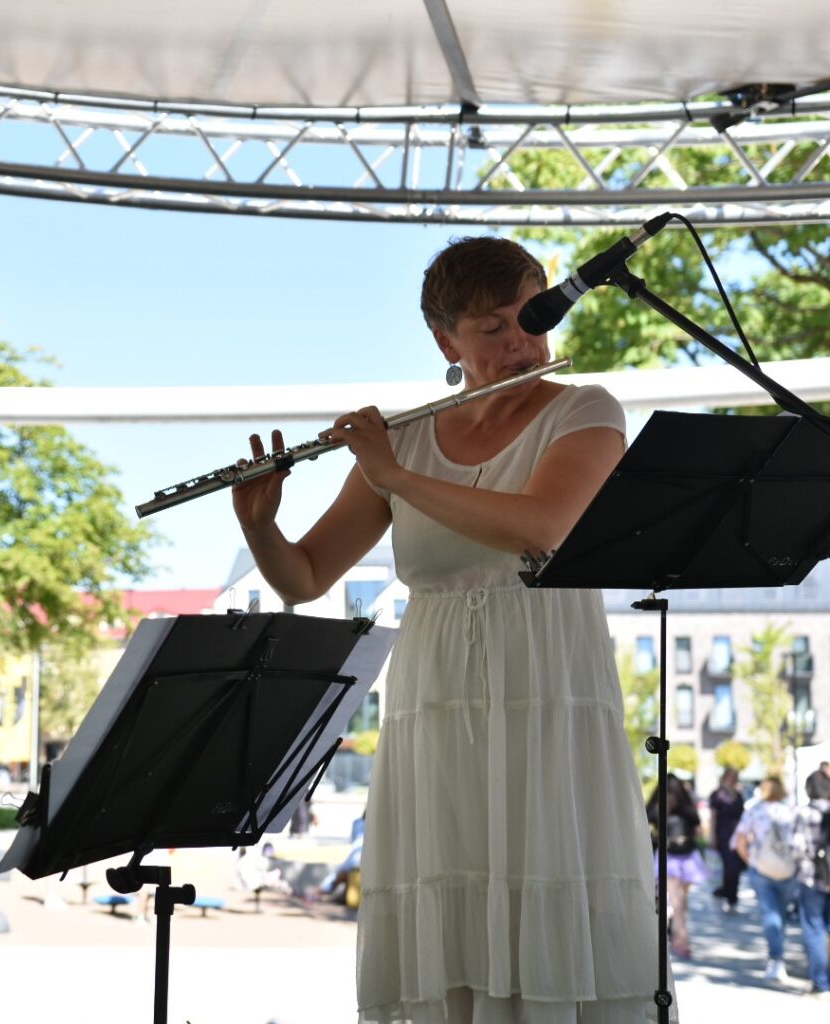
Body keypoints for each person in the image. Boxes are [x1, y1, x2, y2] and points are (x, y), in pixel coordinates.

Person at [233, 236, 661, 1021]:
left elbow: (541, 527)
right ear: (445, 342)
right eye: (492, 328)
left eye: (532, 316)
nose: (521, 341)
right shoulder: (400, 439)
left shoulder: (585, 409)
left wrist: (394, 476)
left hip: (545, 689)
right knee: (450, 905)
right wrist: (261, 526)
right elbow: (303, 578)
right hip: (437, 701)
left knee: (546, 885)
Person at [735, 776, 799, 983]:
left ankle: (776, 958)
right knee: (780, 914)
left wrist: (750, 861)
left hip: (761, 868)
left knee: (770, 914)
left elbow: (740, 841)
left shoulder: (754, 811)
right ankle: (778, 954)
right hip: (788, 870)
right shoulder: (788, 811)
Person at [647, 773, 706, 958]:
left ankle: (679, 936)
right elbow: (698, 829)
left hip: (673, 855)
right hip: (684, 855)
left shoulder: (660, 806)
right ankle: (681, 937)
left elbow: (646, 822)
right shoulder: (684, 807)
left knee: (677, 900)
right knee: (679, 899)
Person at [796, 772, 830, 995]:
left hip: (812, 877)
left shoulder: (803, 813)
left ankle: (821, 983)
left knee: (814, 928)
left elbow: (796, 848)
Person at [708, 767, 746, 912]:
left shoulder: (738, 795)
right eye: (730, 777)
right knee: (727, 867)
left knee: (735, 867)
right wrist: (712, 836)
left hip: (737, 835)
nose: (732, 780)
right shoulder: (717, 795)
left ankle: (732, 896)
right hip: (723, 834)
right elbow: (713, 816)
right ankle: (725, 893)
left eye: (734, 777)